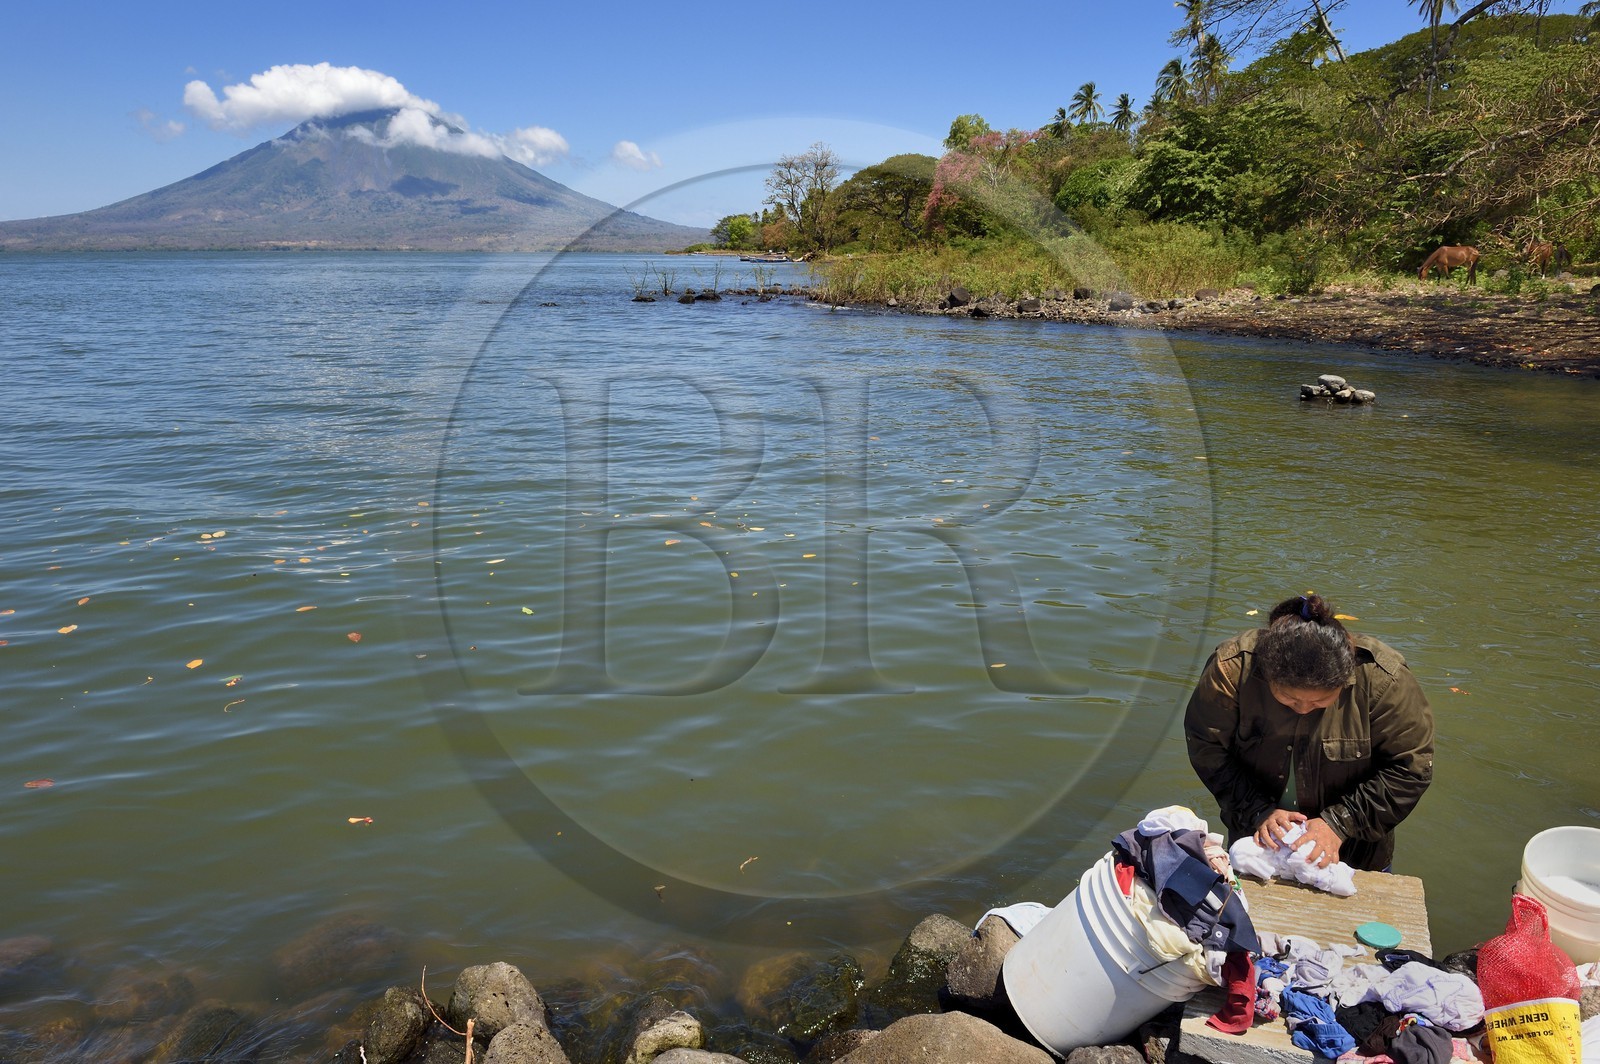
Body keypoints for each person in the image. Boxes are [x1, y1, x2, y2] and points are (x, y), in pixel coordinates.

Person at [1183, 593, 1434, 872]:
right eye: (1289, 699)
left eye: (1319, 702)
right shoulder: (1231, 669)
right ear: (1268, 676)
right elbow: (1207, 748)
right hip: (1259, 844)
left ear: (1344, 681)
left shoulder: (1385, 680)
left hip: (1358, 853)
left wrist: (1339, 823)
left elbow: (1411, 769)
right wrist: (1258, 811)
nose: (1303, 709)